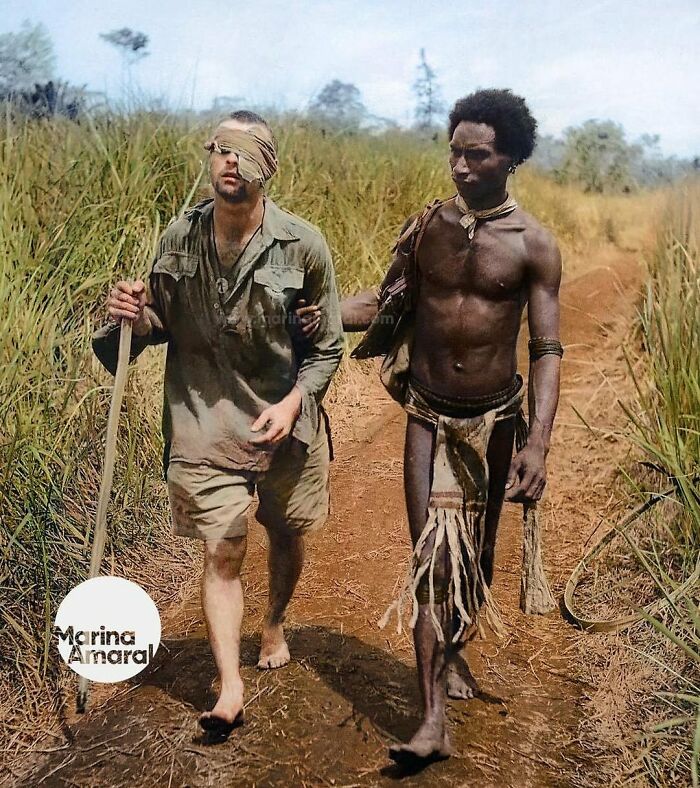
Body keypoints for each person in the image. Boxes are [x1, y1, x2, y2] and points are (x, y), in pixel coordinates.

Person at [311, 89, 563, 764]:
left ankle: (454, 651)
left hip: (494, 422)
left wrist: (537, 443)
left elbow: (545, 350)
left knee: (473, 564)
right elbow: (382, 300)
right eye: (452, 151)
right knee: (429, 561)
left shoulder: (533, 245)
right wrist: (317, 312)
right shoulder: (427, 230)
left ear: (509, 158)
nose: (458, 166)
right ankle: (430, 722)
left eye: (474, 155)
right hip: (426, 414)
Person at [93, 110, 343, 738]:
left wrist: (293, 404)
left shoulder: (303, 245)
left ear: (269, 166)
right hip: (204, 419)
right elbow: (153, 329)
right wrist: (128, 313)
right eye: (220, 149)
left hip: (283, 418)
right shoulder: (177, 239)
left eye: (246, 150)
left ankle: (276, 620)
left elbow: (329, 348)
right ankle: (230, 686)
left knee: (285, 531)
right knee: (223, 549)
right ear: (209, 159)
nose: (231, 161)